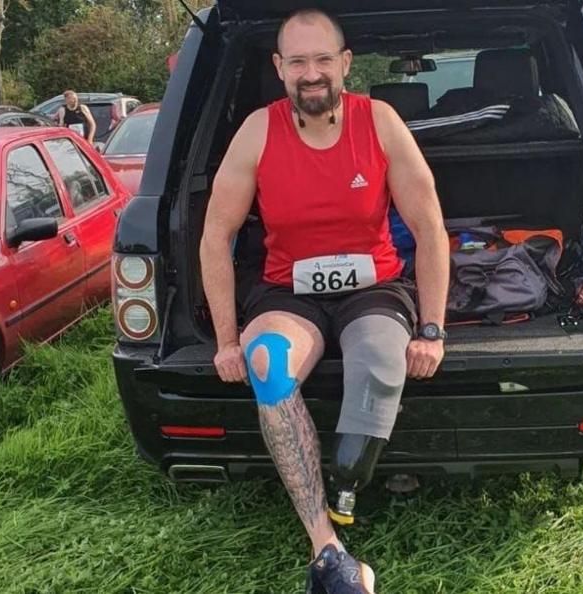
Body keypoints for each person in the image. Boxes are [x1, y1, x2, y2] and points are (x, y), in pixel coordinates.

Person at [199, 8, 449, 593]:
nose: (311, 74)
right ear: (280, 67)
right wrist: (228, 341)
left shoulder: (380, 121)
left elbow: (430, 226)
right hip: (288, 293)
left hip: (375, 289)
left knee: (381, 362)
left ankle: (347, 487)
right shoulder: (258, 132)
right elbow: (215, 235)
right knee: (268, 364)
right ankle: (328, 551)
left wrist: (432, 328)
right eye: (298, 62)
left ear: (344, 64)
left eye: (322, 60)